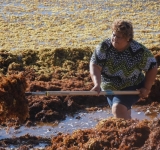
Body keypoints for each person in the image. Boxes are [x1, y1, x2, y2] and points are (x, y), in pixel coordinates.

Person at [89, 19, 157, 119]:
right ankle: (134, 130)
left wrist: (147, 88)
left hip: (132, 85)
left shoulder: (138, 51)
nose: (114, 39)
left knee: (118, 109)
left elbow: (152, 67)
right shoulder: (104, 47)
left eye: (119, 37)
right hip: (109, 85)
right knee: (123, 111)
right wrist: (97, 84)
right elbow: (95, 65)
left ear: (128, 38)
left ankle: (128, 133)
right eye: (113, 35)